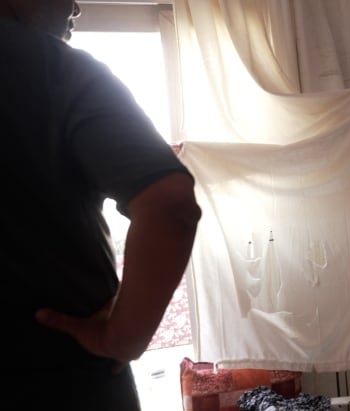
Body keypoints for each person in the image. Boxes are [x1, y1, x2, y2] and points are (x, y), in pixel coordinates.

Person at [1, 1, 202, 410]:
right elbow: (171, 206)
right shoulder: (55, 71)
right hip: (60, 384)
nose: (75, 7)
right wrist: (123, 338)